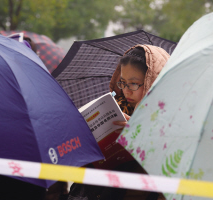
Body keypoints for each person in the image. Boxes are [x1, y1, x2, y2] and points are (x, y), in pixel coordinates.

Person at [66, 44, 170, 200]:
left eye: (134, 83)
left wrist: (140, 134)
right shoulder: (116, 110)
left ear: (153, 81)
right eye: (122, 82)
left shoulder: (172, 119)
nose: (126, 90)